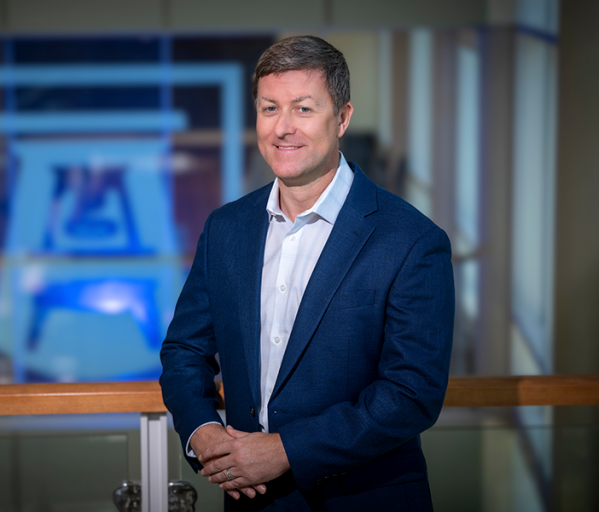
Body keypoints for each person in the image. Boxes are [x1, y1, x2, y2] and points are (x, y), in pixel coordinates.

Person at [160, 35, 454, 511]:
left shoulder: (412, 240)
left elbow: (412, 392)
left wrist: (284, 450)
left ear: (342, 118)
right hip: (249, 499)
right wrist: (204, 432)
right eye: (269, 108)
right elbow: (184, 349)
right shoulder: (226, 228)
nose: (282, 128)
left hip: (362, 500)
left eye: (303, 109)